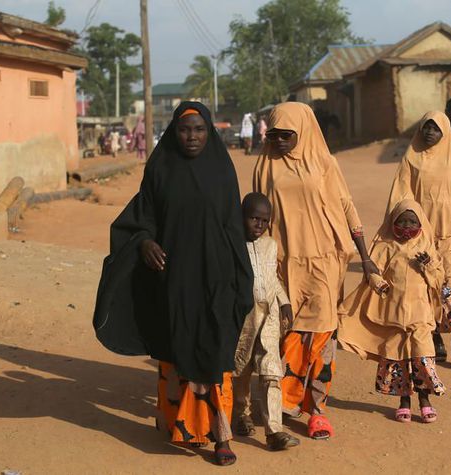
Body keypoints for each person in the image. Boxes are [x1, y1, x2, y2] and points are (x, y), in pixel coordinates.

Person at [92, 102, 254, 466]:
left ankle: (221, 437)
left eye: (198, 130)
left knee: (215, 350)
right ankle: (179, 426)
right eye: (184, 130)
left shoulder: (222, 170)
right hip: (176, 279)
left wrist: (240, 277)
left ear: (209, 131)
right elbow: (142, 216)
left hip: (216, 277)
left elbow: (232, 227)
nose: (192, 137)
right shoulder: (160, 168)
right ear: (173, 132)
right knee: (177, 347)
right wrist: (146, 242)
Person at [253, 102, 379, 440]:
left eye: (287, 135)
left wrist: (365, 256)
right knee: (286, 332)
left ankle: (318, 410)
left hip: (324, 261)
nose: (278, 141)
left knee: (322, 335)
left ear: (303, 131)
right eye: (274, 134)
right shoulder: (265, 164)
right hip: (283, 261)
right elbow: (257, 216)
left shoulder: (324, 162)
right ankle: (284, 398)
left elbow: (345, 205)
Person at [338, 199, 446, 424]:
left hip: (420, 316)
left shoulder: (426, 248)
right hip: (393, 316)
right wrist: (379, 283)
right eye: (402, 221)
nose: (407, 227)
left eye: (412, 222)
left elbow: (438, 281)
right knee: (399, 361)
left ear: (420, 224)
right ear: (392, 222)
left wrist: (428, 266)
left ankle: (425, 401)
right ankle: (404, 402)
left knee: (421, 357)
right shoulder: (386, 246)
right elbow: (373, 272)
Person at [386, 111, 451, 368]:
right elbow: (401, 194)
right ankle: (435, 339)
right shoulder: (411, 158)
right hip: (423, 235)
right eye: (426, 128)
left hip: (450, 234)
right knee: (427, 286)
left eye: (435, 129)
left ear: (444, 132)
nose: (430, 133)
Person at [233, 192, 300, 451]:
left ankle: (274, 431)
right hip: (244, 317)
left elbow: (272, 278)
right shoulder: (233, 245)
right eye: (253, 219)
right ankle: (242, 414)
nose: (259, 225)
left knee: (271, 371)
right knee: (242, 369)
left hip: (269, 316)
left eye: (264, 220)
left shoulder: (271, 245)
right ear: (241, 218)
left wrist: (284, 302)